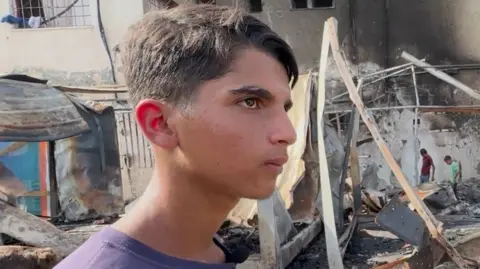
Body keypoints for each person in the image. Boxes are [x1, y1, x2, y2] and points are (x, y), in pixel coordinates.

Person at [54, 4, 298, 269]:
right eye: (250, 102)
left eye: (284, 109)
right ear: (159, 123)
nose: (288, 134)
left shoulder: (210, 252)